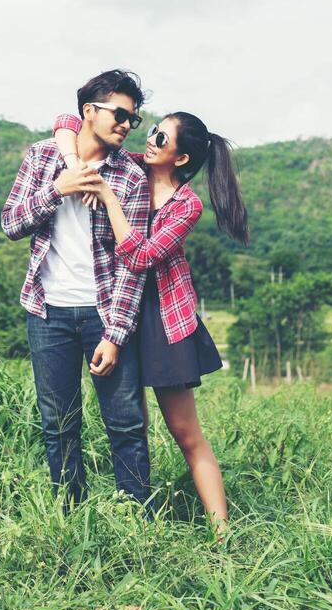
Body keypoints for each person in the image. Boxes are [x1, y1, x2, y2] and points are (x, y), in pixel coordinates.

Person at [53, 109, 249, 533]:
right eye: (153, 131)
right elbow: (67, 119)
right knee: (130, 424)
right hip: (115, 308)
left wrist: (107, 196)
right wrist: (73, 163)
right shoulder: (130, 167)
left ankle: (223, 535)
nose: (151, 139)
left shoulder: (187, 205)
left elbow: (141, 256)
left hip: (162, 318)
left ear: (180, 158)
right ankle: (138, 521)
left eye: (161, 138)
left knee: (185, 431)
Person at [1, 69, 151, 509]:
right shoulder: (43, 157)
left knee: (125, 423)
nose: (126, 124)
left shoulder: (130, 178)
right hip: (48, 312)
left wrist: (116, 333)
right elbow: (11, 223)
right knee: (59, 423)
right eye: (119, 114)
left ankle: (137, 518)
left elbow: (132, 265)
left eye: (133, 119)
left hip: (105, 314)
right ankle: (70, 517)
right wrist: (57, 189)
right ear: (89, 112)